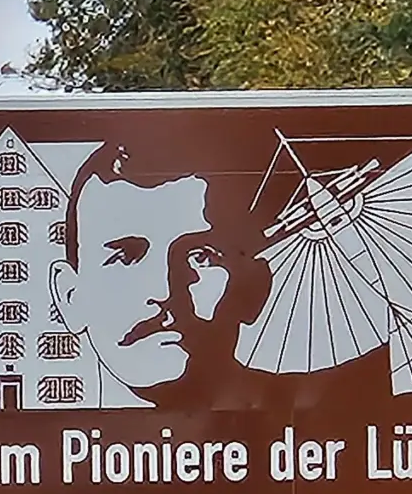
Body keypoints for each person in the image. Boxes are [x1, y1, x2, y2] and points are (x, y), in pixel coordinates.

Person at [49, 141, 265, 408]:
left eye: (200, 257)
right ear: (69, 296)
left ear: (253, 286)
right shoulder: (37, 445)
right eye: (125, 257)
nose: (163, 292)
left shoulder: (303, 425)